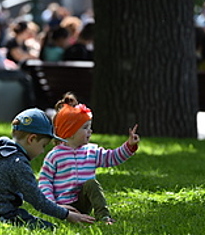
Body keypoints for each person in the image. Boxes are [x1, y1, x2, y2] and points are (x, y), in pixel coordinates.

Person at [0, 108, 96, 229]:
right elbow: (37, 201)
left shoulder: (0, 152)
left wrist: (58, 207)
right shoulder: (17, 163)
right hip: (2, 218)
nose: (42, 151)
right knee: (51, 229)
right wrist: (67, 215)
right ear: (32, 139)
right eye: (43, 145)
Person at [39, 94, 140, 224]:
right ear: (70, 131)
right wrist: (53, 205)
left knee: (91, 183)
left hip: (83, 204)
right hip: (63, 208)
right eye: (85, 128)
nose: (90, 131)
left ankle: (104, 217)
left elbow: (112, 157)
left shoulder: (91, 151)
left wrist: (129, 146)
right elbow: (45, 181)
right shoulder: (55, 156)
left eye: (89, 127)